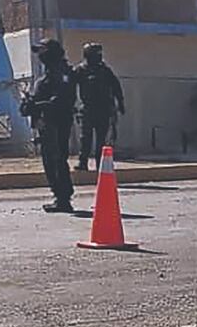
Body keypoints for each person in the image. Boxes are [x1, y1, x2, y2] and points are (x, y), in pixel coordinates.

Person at [20, 38, 77, 213]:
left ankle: (63, 198)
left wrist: (38, 106)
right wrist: (28, 105)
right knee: (50, 160)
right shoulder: (49, 74)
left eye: (43, 51)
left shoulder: (62, 73)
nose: (40, 56)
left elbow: (61, 100)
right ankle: (59, 196)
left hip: (57, 122)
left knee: (57, 159)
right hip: (46, 124)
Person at [73, 42, 126, 171]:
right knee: (85, 138)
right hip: (87, 109)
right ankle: (83, 162)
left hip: (104, 109)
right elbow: (70, 87)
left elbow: (116, 87)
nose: (99, 56)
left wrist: (120, 103)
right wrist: (71, 104)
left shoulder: (105, 70)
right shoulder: (81, 70)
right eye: (96, 54)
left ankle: (100, 163)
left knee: (102, 139)